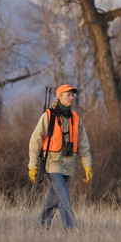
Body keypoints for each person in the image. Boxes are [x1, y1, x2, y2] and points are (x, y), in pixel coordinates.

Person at [28, 84, 93, 230]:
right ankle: (70, 230)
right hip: (52, 163)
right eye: (68, 95)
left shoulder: (76, 118)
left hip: (68, 165)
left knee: (54, 197)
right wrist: (32, 166)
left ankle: (41, 225)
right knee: (64, 195)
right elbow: (35, 141)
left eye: (72, 95)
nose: (71, 98)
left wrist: (87, 166)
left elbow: (83, 146)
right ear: (59, 97)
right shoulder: (48, 116)